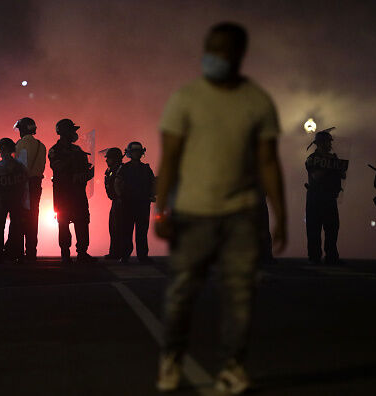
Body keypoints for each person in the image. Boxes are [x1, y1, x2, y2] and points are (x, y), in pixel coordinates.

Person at [154, 22, 287, 393]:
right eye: (210, 48)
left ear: (239, 54)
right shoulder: (185, 99)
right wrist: (161, 210)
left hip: (241, 214)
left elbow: (268, 163)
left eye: (223, 49)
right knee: (181, 293)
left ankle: (233, 366)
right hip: (193, 213)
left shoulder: (257, 102)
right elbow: (170, 158)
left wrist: (280, 215)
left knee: (240, 296)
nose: (214, 56)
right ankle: (172, 358)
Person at [48, 119, 96, 264]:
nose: (75, 134)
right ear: (63, 132)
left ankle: (82, 252)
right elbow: (58, 167)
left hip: (79, 192)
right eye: (72, 131)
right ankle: (65, 254)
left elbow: (86, 169)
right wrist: (72, 158)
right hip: (63, 194)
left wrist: (88, 173)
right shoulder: (54, 150)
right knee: (63, 223)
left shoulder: (78, 150)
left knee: (82, 222)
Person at [305, 128, 347, 266]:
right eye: (327, 142)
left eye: (329, 142)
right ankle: (315, 257)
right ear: (320, 143)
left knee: (332, 228)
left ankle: (331, 256)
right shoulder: (312, 159)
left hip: (330, 198)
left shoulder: (333, 159)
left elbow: (342, 176)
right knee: (314, 229)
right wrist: (330, 165)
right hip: (315, 198)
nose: (329, 145)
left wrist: (338, 167)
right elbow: (316, 176)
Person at [0, 138, 28, 264]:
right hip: (16, 202)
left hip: (0, 203)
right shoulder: (20, 166)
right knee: (16, 228)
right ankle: (15, 254)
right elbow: (25, 183)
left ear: (0, 150)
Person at [115, 142, 155, 263]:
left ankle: (142, 256)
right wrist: (120, 197)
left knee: (142, 231)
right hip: (128, 204)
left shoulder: (146, 169)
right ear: (130, 153)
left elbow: (153, 184)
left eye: (138, 151)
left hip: (142, 204)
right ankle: (125, 255)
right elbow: (117, 183)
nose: (136, 154)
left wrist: (151, 195)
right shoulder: (124, 168)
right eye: (134, 151)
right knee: (126, 231)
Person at [14, 117, 46, 262]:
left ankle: (19, 252)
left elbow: (20, 166)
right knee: (34, 217)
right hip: (36, 184)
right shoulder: (42, 145)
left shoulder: (20, 144)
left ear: (22, 129)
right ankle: (31, 251)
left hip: (23, 185)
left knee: (20, 218)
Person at [103, 147, 124, 259]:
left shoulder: (121, 170)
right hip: (116, 201)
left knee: (118, 228)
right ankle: (115, 252)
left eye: (109, 158)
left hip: (121, 202)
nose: (106, 160)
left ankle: (118, 253)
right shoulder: (112, 170)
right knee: (113, 227)